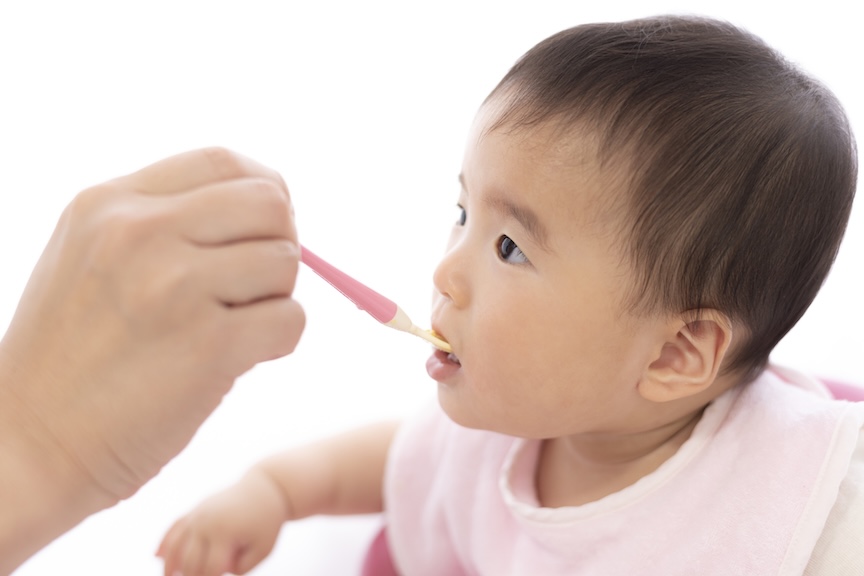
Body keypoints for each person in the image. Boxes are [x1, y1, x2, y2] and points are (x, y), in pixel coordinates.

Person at [157, 16, 863, 576]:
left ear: (675, 353)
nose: (444, 273)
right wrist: (274, 492)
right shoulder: (515, 421)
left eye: (510, 249)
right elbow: (409, 460)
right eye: (464, 215)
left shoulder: (808, 506)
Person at [0, 147, 305, 574]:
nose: (437, 277)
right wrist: (275, 490)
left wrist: (40, 443)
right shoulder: (429, 442)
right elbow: (397, 456)